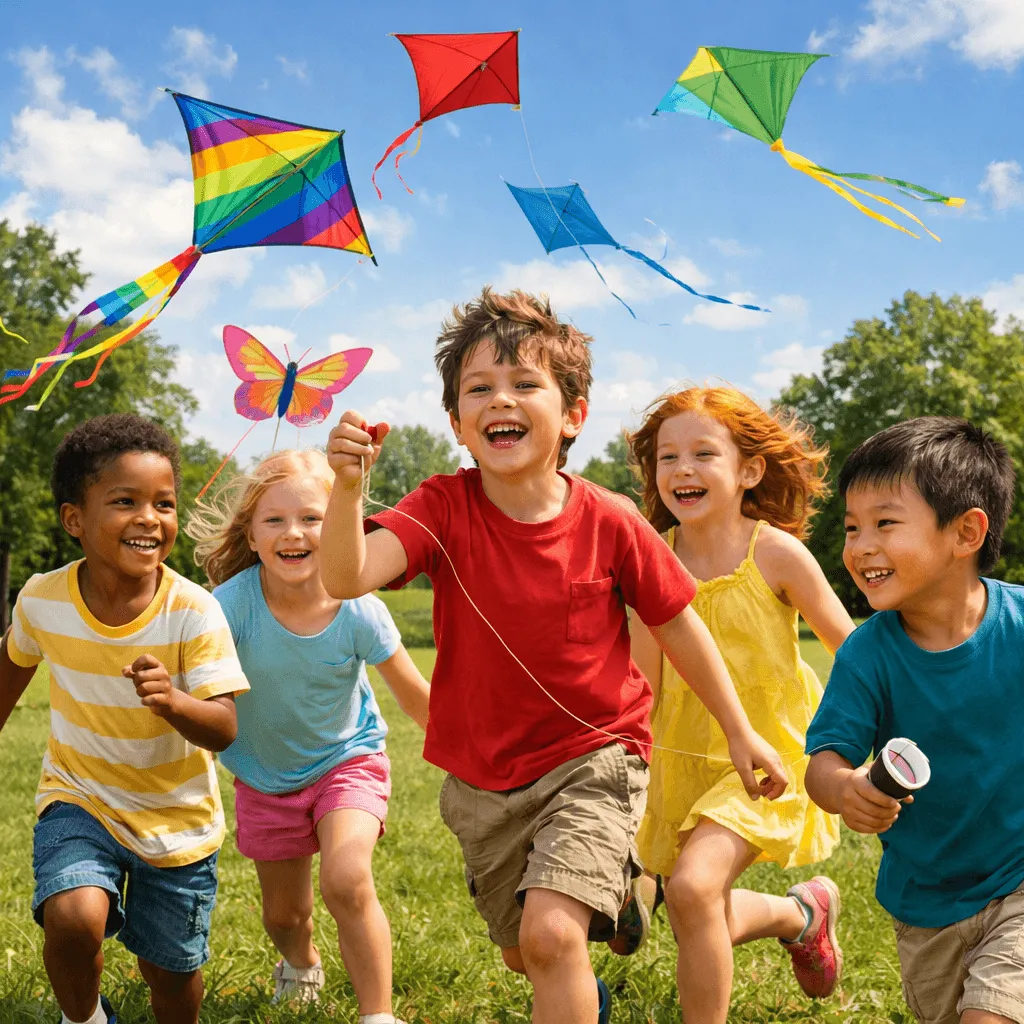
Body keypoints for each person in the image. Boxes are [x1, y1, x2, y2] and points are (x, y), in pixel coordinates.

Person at [319, 287, 789, 1024]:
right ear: (458, 423)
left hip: (596, 758)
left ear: (572, 415)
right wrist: (347, 490)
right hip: (483, 779)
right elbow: (345, 577)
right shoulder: (442, 506)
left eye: (524, 384)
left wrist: (737, 729)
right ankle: (597, 948)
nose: (500, 398)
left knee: (548, 935)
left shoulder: (611, 519)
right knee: (525, 951)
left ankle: (583, 922)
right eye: (480, 389)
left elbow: (678, 626)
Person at [0, 413, 248, 1024]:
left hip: (178, 820)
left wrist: (174, 701)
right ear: (74, 520)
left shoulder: (193, 611)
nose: (150, 517)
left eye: (164, 503)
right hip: (79, 797)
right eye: (125, 501)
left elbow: (223, 728)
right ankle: (83, 1019)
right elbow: (6, 680)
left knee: (170, 976)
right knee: (72, 917)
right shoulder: (41, 599)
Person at [627, 386, 855, 1024]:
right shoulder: (651, 559)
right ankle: (800, 914)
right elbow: (640, 682)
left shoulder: (775, 553)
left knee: (695, 890)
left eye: (703, 453)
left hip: (766, 760)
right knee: (695, 908)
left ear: (749, 470)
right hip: (681, 759)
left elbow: (854, 651)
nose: (683, 470)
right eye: (667, 457)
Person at [187, 449, 429, 1024]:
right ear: (250, 531)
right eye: (274, 519)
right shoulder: (231, 606)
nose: (293, 532)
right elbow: (193, 687)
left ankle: (378, 1014)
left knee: (346, 879)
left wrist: (478, 751)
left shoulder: (358, 609)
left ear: (341, 526)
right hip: (264, 777)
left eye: (313, 518)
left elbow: (416, 694)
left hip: (347, 760)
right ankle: (300, 962)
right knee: (283, 917)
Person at [805, 416, 1024, 1024]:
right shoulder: (867, 654)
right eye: (852, 528)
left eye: (884, 523)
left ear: (966, 531)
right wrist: (846, 788)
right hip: (927, 906)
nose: (859, 546)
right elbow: (825, 763)